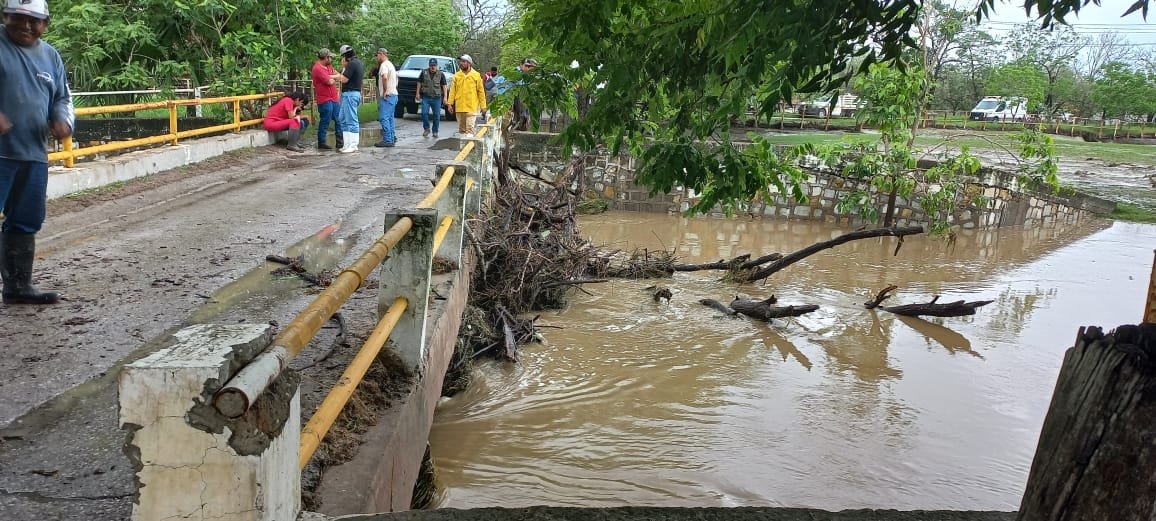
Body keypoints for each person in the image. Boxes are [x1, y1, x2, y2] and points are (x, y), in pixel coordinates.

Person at [0, 0, 73, 305]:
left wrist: (62, 120)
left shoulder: (50, 56)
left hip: (32, 154)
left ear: (46, 23)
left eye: (34, 21)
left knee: (25, 220)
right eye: (18, 18)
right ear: (6, 16)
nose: (26, 26)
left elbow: (62, 97)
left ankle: (18, 286)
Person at [331, 44, 364, 153]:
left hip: (350, 94)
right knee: (343, 119)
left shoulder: (352, 64)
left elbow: (344, 79)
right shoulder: (358, 63)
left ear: (345, 56)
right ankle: (347, 144)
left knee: (351, 119)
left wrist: (332, 76)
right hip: (350, 94)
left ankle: (353, 145)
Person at [446, 54, 486, 135]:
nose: (461, 63)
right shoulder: (457, 75)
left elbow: (481, 92)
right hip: (460, 107)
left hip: (471, 107)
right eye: (460, 61)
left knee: (470, 130)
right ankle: (464, 147)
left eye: (464, 61)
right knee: (462, 131)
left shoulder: (476, 75)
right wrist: (449, 104)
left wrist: (483, 106)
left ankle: (470, 146)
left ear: (469, 63)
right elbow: (452, 91)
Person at [311, 48, 341, 150]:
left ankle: (340, 142)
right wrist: (333, 77)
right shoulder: (317, 68)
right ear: (326, 57)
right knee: (325, 120)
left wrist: (330, 76)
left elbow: (339, 75)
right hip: (324, 99)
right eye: (330, 57)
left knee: (338, 119)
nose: (331, 59)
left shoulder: (328, 66)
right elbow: (330, 82)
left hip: (334, 98)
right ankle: (322, 142)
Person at [415, 58, 447, 138]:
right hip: (426, 97)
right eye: (431, 65)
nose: (433, 67)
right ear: (429, 65)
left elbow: (444, 86)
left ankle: (435, 131)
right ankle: (426, 128)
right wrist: (417, 93)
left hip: (436, 98)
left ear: (437, 66)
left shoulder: (441, 74)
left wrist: (445, 97)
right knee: (424, 113)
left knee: (437, 115)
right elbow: (419, 82)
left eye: (434, 65)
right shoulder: (424, 72)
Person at [373, 48, 398, 148]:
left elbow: (385, 77)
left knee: (383, 117)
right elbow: (397, 78)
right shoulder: (390, 64)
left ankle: (387, 139)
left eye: (377, 55)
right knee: (390, 118)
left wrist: (385, 90)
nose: (377, 57)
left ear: (382, 54)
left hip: (388, 95)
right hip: (394, 94)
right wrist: (393, 87)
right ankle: (391, 138)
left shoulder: (384, 65)